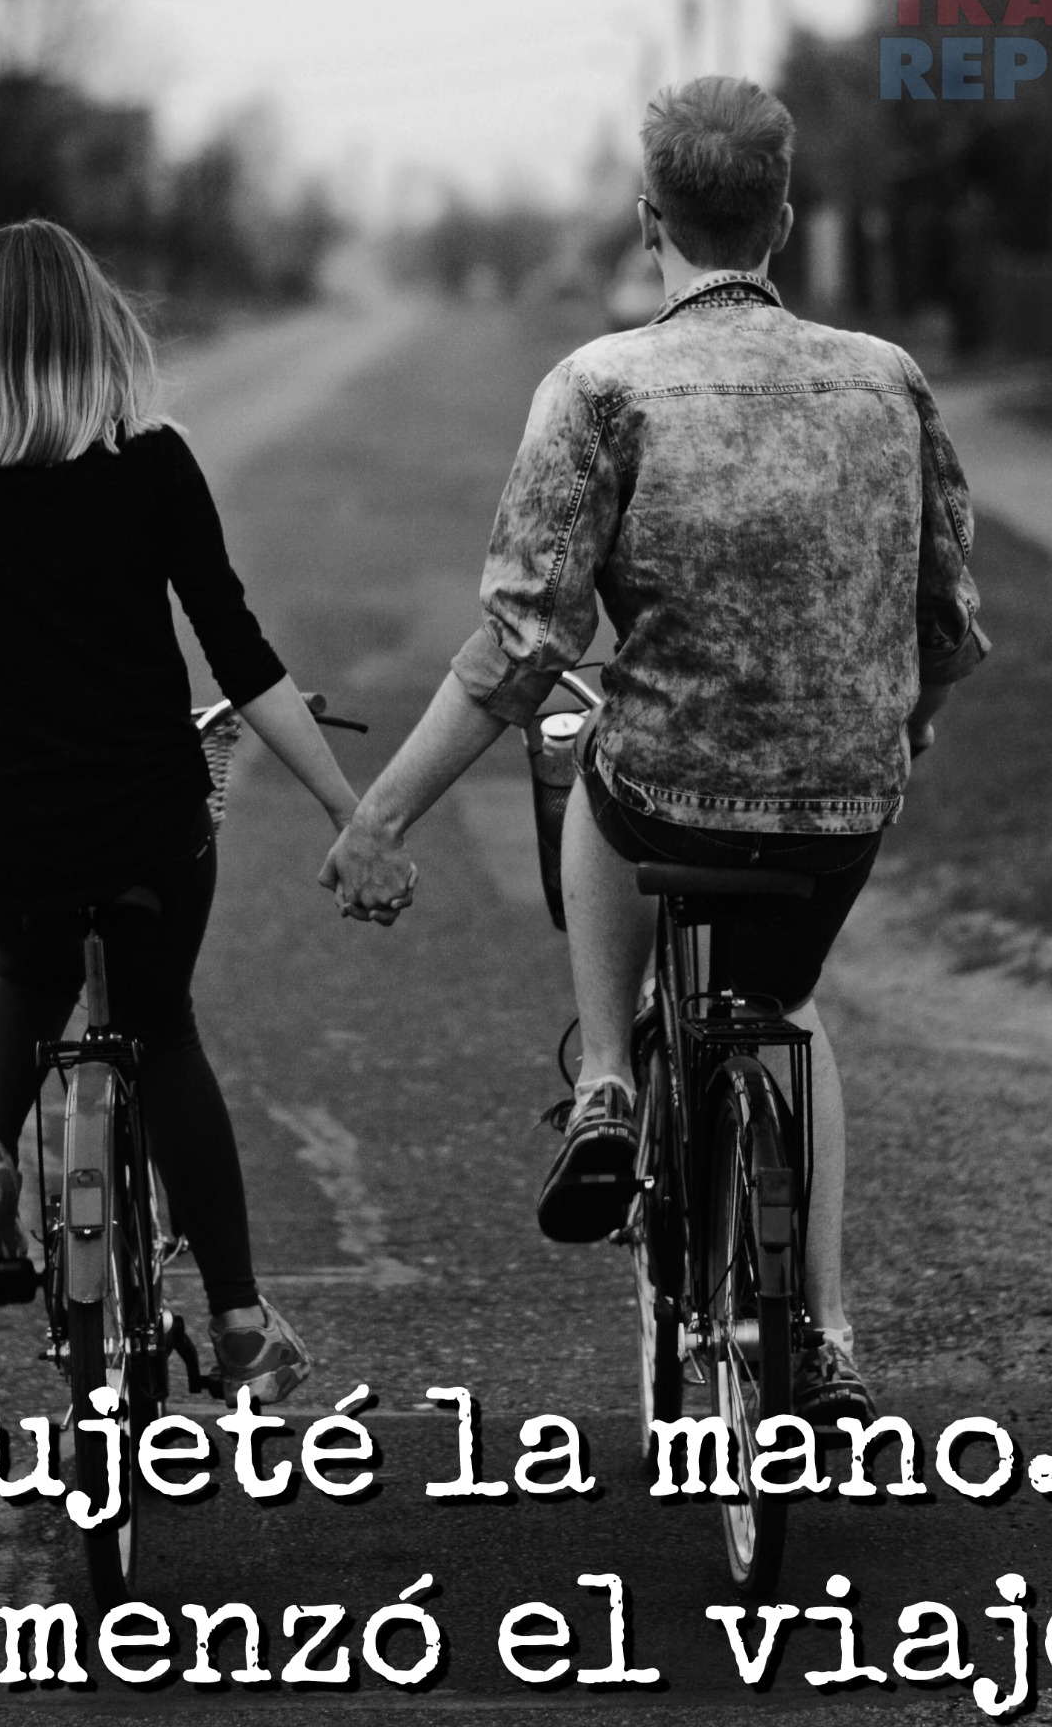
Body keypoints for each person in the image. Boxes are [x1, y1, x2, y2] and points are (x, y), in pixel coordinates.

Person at [321, 76, 987, 1424]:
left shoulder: (600, 386)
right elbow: (946, 621)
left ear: (648, 221)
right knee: (787, 1008)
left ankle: (607, 1086)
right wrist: (902, 724)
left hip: (670, 796)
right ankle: (830, 1338)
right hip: (846, 801)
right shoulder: (888, 379)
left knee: (595, 761)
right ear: (781, 221)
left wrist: (379, 816)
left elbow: (519, 650)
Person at [0, 219, 413, 1402]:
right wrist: (351, 812)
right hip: (149, 821)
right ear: (99, 330)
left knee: (26, 972)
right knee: (158, 1027)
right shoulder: (153, 460)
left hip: (8, 822)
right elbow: (241, 653)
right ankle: (239, 1326)